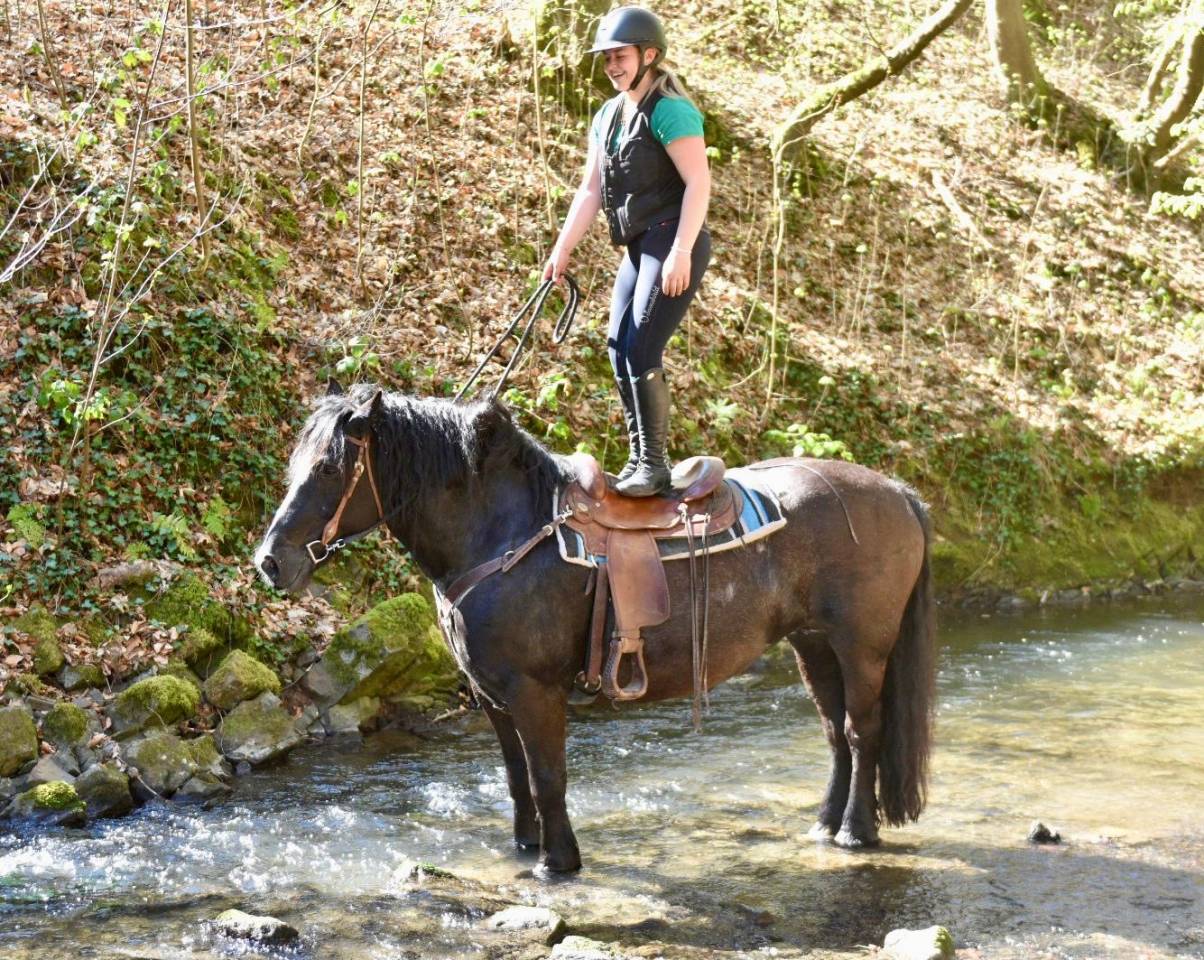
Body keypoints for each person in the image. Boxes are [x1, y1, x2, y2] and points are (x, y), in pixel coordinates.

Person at [542, 6, 712, 497]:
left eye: (620, 56)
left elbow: (699, 182)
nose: (612, 65)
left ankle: (653, 465)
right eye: (607, 58)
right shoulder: (607, 115)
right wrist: (562, 250)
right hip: (640, 246)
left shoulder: (669, 109)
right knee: (618, 347)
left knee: (642, 347)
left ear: (649, 54)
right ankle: (640, 458)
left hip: (673, 238)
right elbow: (590, 190)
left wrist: (681, 250)